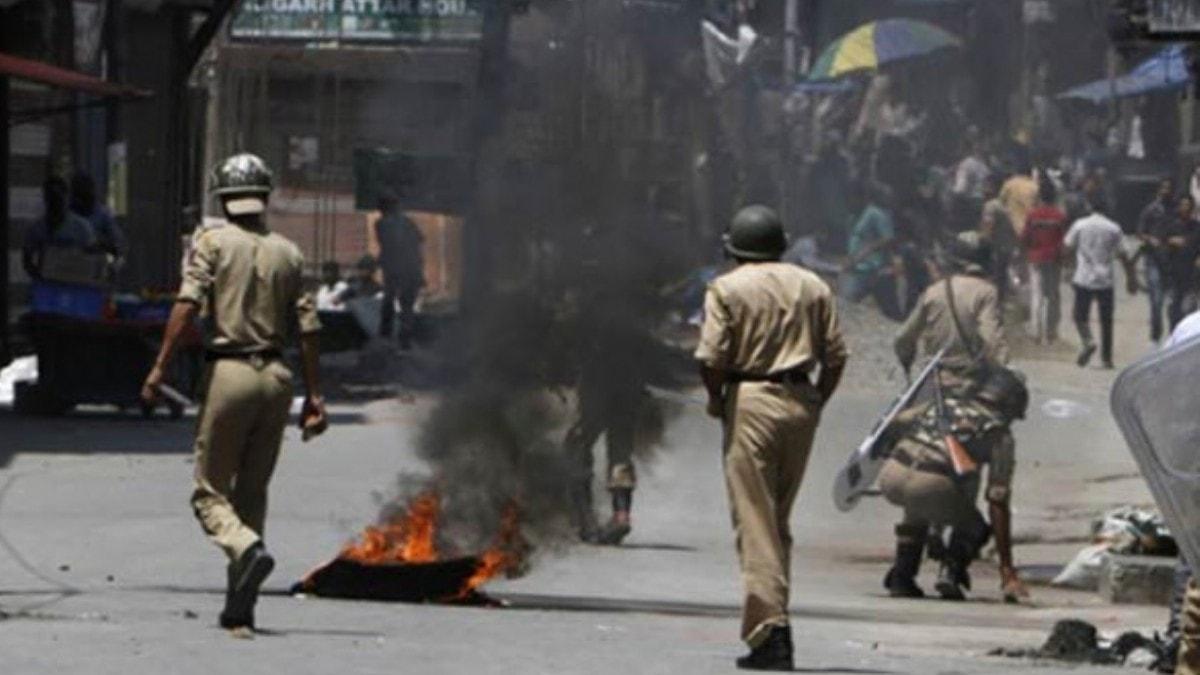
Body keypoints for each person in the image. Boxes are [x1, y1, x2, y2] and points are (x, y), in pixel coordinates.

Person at [140, 154, 327, 635]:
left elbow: (187, 306)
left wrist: (159, 367)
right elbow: (308, 329)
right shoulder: (288, 252)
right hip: (277, 379)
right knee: (252, 493)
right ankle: (239, 612)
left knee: (209, 494)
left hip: (231, 374)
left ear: (224, 199)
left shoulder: (213, 242)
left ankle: (245, 549)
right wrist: (315, 398)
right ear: (264, 197)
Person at [696, 205, 848, 671]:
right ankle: (772, 620)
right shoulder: (812, 285)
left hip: (752, 400)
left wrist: (717, 398)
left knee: (756, 521)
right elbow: (837, 355)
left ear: (735, 248)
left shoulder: (726, 288)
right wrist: (817, 400)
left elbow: (711, 357)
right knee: (776, 520)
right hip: (801, 401)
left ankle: (771, 632)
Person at [886, 234, 1027, 603]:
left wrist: (907, 367)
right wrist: (1006, 377)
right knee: (963, 477)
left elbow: (903, 338)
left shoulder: (934, 292)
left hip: (932, 392)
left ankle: (904, 571)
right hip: (974, 391)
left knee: (922, 459)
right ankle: (952, 566)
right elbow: (992, 341)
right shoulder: (986, 292)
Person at [1063, 195, 1129, 369]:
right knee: (1106, 320)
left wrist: (1067, 267)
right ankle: (1106, 358)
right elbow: (1123, 253)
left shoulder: (1080, 225)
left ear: (1090, 207)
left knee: (1079, 315)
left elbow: (1068, 246)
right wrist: (1131, 277)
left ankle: (1088, 340)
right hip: (1105, 279)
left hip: (1083, 276)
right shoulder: (1113, 228)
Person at [373, 189, 425, 350]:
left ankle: (387, 338)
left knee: (391, 302)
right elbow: (419, 241)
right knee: (405, 306)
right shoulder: (407, 222)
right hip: (408, 268)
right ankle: (403, 341)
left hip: (396, 268)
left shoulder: (382, 224)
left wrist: (381, 261)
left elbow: (390, 246)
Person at [1021, 176, 1068, 344]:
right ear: (1055, 196)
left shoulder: (1033, 215)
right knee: (1052, 296)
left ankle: (1036, 333)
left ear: (1040, 196)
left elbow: (1025, 237)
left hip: (1035, 258)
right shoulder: (1059, 216)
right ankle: (1050, 333)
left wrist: (1027, 251)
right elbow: (1064, 240)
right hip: (1053, 259)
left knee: (1037, 296)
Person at [845, 184, 903, 320]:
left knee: (847, 303)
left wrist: (862, 254)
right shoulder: (869, 211)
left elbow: (887, 239)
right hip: (865, 266)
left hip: (871, 267)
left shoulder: (877, 213)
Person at [21, 175, 96, 279]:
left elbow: (93, 257)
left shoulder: (81, 227)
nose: (55, 203)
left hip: (75, 285)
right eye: (51, 199)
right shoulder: (36, 228)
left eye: (59, 199)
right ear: (45, 199)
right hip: (46, 285)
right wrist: (39, 277)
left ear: (67, 197)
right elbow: (27, 259)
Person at [1136, 178, 1175, 343]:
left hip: (1172, 260)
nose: (1166, 191)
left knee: (1174, 302)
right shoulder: (1150, 210)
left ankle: (1174, 336)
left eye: (1169, 188)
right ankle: (1155, 335)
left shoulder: (1176, 210)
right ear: (1159, 190)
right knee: (1156, 300)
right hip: (1153, 259)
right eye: (1163, 188)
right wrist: (1150, 239)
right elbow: (1140, 232)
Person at [1161, 194, 1200, 333]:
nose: (1186, 208)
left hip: (1192, 277)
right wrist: (1170, 241)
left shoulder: (1197, 227)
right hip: (1173, 276)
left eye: (1188, 206)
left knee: (1189, 313)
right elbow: (1160, 245)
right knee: (1173, 312)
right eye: (1183, 205)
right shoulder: (1171, 226)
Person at [69, 171, 126, 260]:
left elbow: (118, 244)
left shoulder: (102, 214)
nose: (81, 202)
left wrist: (100, 243)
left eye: (85, 195)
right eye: (78, 195)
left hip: (94, 267)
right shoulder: (65, 214)